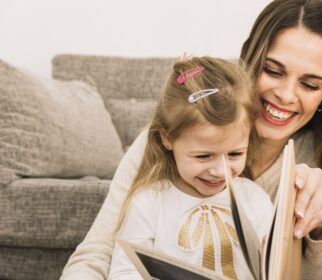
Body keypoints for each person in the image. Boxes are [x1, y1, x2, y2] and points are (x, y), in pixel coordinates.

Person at [61, 0, 322, 279]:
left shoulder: (320, 164)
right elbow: (99, 255)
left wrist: (319, 233)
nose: (285, 94)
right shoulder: (165, 144)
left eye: (310, 84)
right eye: (272, 70)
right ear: (251, 61)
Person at [108, 56, 274, 280]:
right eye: (203, 156)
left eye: (235, 154)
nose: (219, 170)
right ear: (168, 139)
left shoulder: (255, 200)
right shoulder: (149, 203)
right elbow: (125, 271)